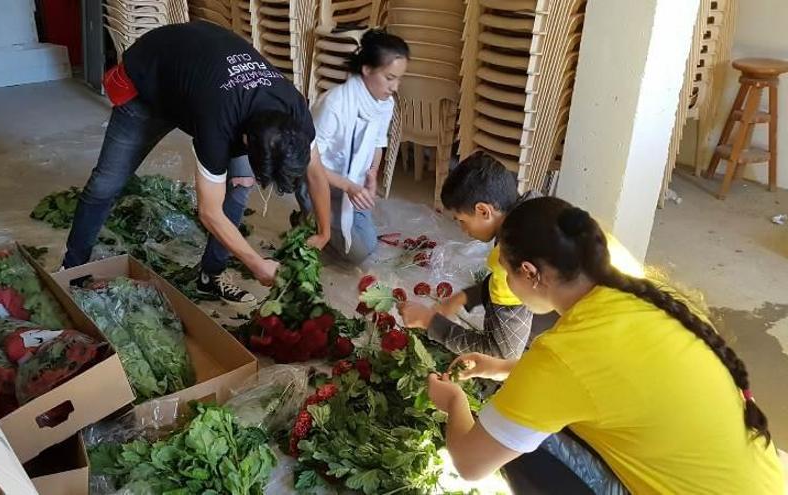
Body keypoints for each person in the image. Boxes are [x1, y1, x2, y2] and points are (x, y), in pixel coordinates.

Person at [423, 197, 785, 493]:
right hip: (765, 483)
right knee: (535, 416)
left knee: (523, 447)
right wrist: (500, 367)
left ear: (531, 273)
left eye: (506, 270)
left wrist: (453, 400)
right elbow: (611, 378)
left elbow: (470, 464)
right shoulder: (651, 298)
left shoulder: (562, 354)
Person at [62, 22, 332, 303]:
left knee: (239, 188)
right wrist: (256, 264)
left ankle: (209, 276)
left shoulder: (294, 112)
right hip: (151, 81)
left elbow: (316, 175)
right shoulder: (217, 123)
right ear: (247, 142)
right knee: (106, 184)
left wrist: (324, 232)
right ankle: (71, 271)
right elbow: (209, 212)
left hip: (201, 79)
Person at [400, 151, 644, 359]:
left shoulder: (508, 264)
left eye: (461, 221)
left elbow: (502, 354)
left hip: (606, 350)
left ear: (483, 210)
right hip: (633, 314)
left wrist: (430, 323)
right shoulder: (541, 208)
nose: (462, 230)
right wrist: (467, 297)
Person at [294, 29, 408, 264]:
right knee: (355, 255)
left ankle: (326, 222)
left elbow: (378, 143)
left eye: (399, 79)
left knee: (367, 245)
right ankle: (307, 217)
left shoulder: (383, 103)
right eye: (389, 78)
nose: (395, 87)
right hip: (319, 181)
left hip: (350, 182)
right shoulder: (335, 105)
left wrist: (372, 174)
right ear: (367, 70)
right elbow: (308, 164)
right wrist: (348, 186)